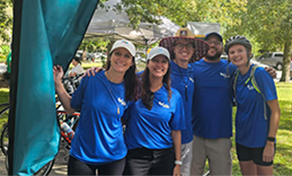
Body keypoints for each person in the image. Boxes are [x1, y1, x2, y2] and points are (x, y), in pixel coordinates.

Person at [190, 32, 277, 176]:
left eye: (217, 42)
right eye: (209, 41)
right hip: (195, 134)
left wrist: (269, 71)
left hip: (221, 135)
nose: (212, 45)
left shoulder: (231, 69)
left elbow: (250, 68)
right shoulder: (192, 67)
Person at [53, 39, 139, 175]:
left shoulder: (131, 88)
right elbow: (70, 108)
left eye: (127, 56)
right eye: (117, 53)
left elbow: (125, 119)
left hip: (113, 156)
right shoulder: (91, 78)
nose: (121, 58)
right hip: (83, 154)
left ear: (131, 63)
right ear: (110, 56)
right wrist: (58, 83)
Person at [123, 47, 185, 176]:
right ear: (148, 63)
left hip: (164, 156)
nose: (159, 65)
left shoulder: (174, 96)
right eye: (155, 60)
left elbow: (176, 130)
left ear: (168, 66)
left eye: (163, 62)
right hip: (136, 155)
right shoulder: (134, 89)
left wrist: (178, 163)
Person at [225, 35, 280, 176]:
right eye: (232, 52)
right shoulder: (235, 76)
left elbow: (275, 111)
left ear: (249, 52)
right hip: (242, 138)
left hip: (261, 139)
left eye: (240, 50)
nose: (236, 55)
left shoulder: (260, 74)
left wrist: (270, 142)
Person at [159, 27, 209, 175]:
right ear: (173, 48)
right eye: (180, 45)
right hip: (166, 135)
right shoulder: (164, 68)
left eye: (188, 46)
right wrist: (102, 72)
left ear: (194, 50)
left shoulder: (195, 71)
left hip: (187, 135)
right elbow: (138, 77)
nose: (184, 49)